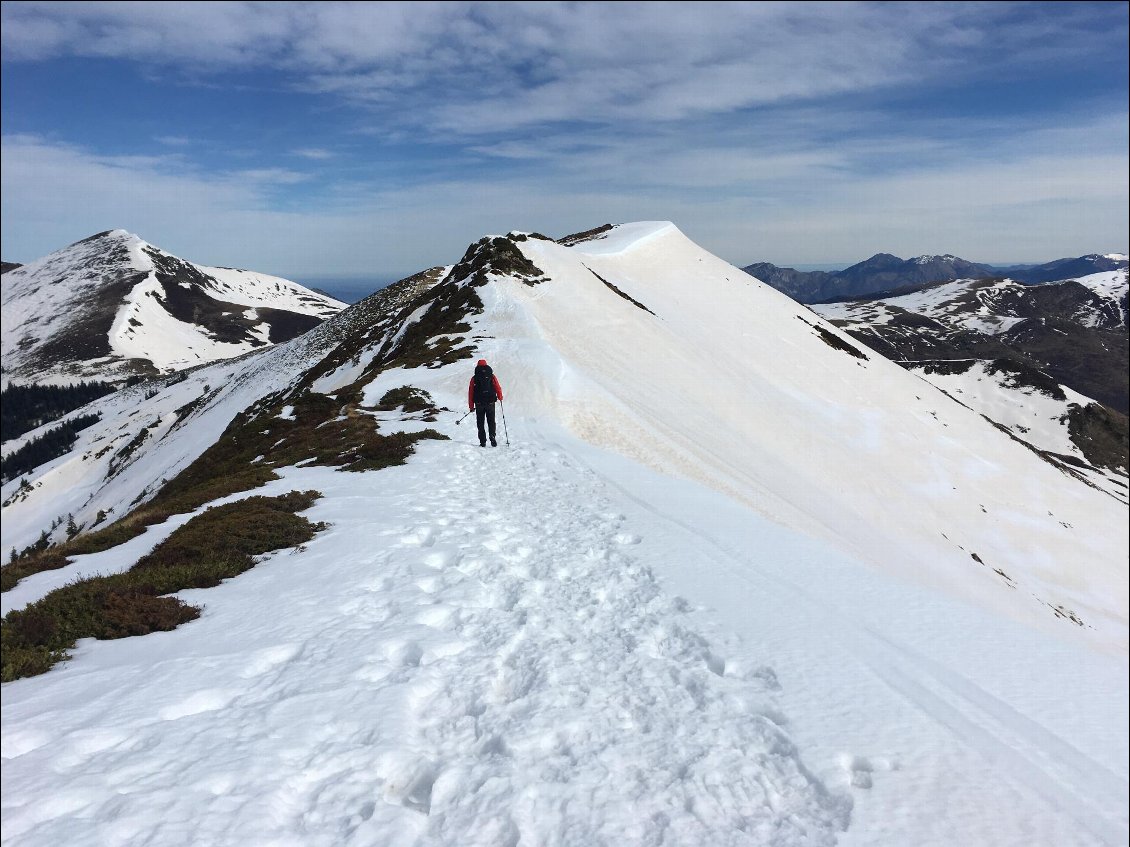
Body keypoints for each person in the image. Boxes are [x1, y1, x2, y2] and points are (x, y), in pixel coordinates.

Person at [468, 358, 504, 447]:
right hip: (490, 401)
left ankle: (482, 441)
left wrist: (471, 406)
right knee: (491, 420)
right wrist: (500, 397)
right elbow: (497, 387)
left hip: (479, 403)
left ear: (477, 366)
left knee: (480, 422)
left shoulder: (474, 378)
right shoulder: (491, 376)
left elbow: (471, 392)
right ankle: (492, 436)